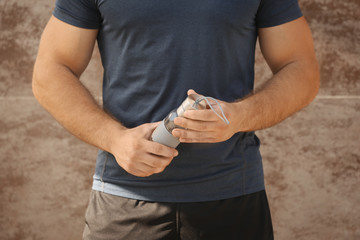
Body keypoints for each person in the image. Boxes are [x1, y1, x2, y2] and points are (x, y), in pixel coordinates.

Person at [32, 0, 319, 239]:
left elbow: (301, 69)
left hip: (232, 198)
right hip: (124, 199)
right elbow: (50, 71)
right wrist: (115, 139)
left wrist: (239, 116)